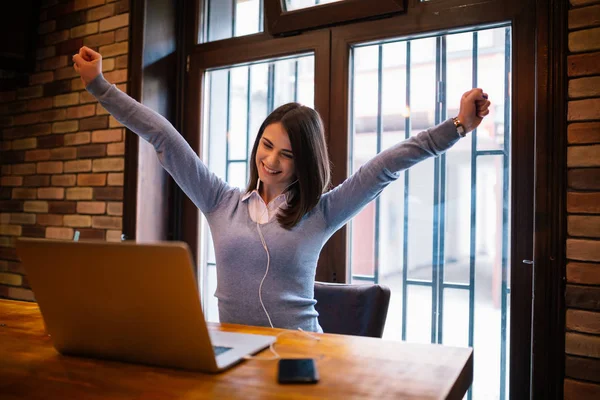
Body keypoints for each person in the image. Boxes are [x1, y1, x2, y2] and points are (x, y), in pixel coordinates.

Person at [73, 46, 490, 333]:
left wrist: (457, 127)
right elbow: (162, 136)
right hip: (233, 354)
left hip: (304, 357)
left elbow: (385, 166)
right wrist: (100, 87)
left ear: (304, 162)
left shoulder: (321, 212)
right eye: (266, 145)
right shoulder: (220, 200)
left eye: (286, 154)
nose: (270, 160)